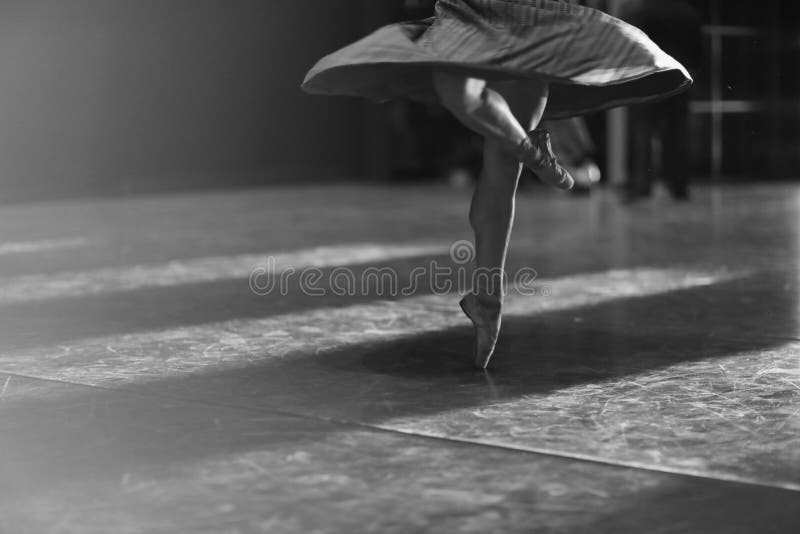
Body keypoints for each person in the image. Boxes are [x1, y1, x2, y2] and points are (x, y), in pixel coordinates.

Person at [302, 0, 691, 369]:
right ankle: (493, 283)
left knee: (484, 134)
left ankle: (491, 289)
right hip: (506, 18)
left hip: (520, 18)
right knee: (495, 152)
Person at [619, 0, 703, 201]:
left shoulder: (642, 11)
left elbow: (633, 45)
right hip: (680, 77)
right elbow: (698, 50)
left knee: (643, 133)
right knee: (677, 133)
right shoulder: (687, 11)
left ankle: (642, 184)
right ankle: (679, 185)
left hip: (649, 78)